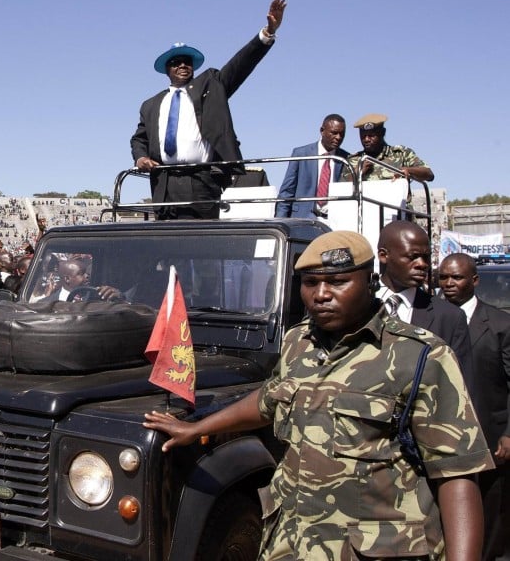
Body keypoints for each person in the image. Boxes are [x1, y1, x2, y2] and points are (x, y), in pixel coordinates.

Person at [144, 230, 492, 558]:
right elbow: (270, 399)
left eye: (338, 282)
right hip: (291, 545)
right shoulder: (299, 341)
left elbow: (457, 475)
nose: (321, 294)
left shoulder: (420, 356)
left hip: (373, 550)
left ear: (370, 282)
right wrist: (197, 428)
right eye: (310, 283)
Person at [130, 0, 286, 219]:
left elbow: (239, 65)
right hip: (163, 184)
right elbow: (139, 139)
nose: (183, 65)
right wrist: (140, 158)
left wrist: (267, 34)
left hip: (201, 181)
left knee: (201, 243)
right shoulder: (151, 105)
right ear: (167, 70)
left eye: (187, 61)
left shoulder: (211, 85)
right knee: (167, 246)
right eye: (176, 62)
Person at [439, 252, 510, 560]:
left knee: (493, 514)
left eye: (456, 277)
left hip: (492, 439)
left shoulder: (499, 324)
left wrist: (509, 432)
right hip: (444, 438)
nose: (449, 283)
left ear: (474, 281)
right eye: (443, 277)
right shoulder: (433, 320)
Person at [376, 220, 474, 378]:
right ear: (383, 255)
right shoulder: (355, 309)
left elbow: (462, 384)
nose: (422, 264)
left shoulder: (450, 318)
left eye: (426, 257)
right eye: (413, 257)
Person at [274, 114, 350, 219]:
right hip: (302, 219)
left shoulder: (346, 159)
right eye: (334, 133)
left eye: (342, 134)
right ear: (322, 131)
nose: (338, 137)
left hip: (334, 221)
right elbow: (287, 191)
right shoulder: (301, 154)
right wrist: (280, 221)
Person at [341, 113, 435, 182]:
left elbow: (429, 174)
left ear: (382, 133)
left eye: (371, 135)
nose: (366, 139)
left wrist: (407, 170)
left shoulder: (401, 154)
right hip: (364, 207)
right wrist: (358, 172)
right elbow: (340, 189)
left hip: (398, 207)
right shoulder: (353, 160)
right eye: (363, 136)